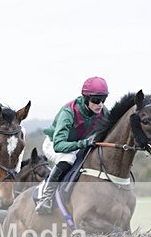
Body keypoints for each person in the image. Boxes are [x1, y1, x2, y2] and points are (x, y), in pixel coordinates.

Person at [35, 77, 109, 215]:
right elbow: (59, 145)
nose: (100, 104)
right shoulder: (69, 112)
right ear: (86, 98)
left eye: (103, 100)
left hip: (78, 144)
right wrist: (83, 143)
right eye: (96, 100)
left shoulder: (103, 111)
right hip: (54, 143)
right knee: (68, 158)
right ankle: (45, 198)